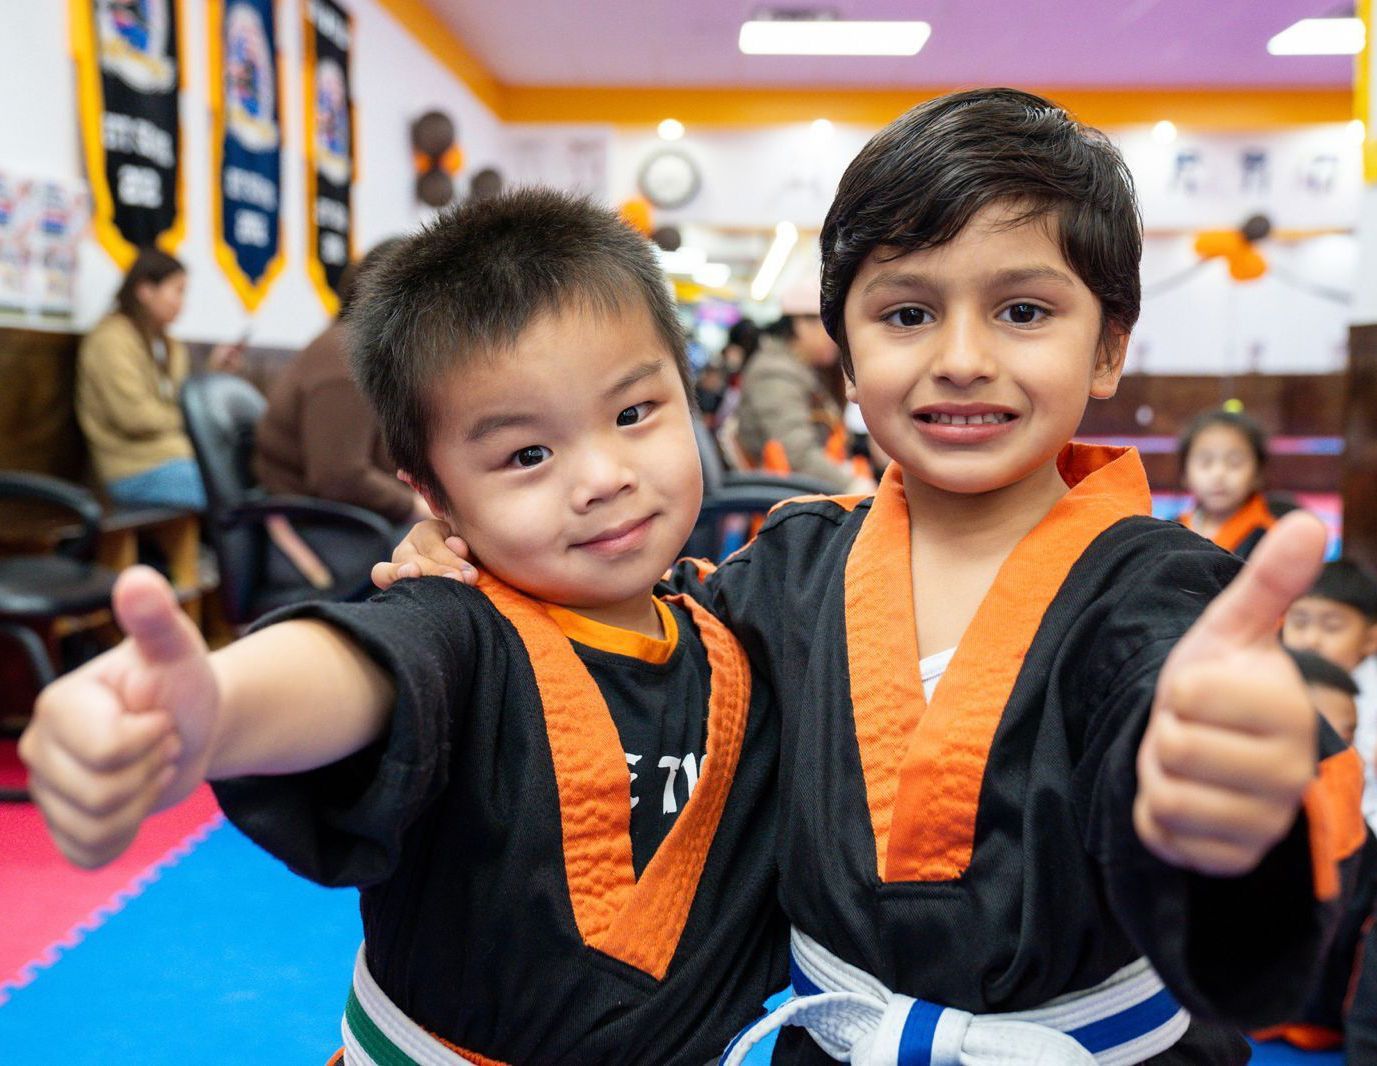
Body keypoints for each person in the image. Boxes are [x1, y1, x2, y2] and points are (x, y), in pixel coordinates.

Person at [384, 89, 1366, 1063]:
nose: (963, 358)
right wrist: (482, 577)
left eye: (1024, 310)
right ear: (846, 356)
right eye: (907, 313)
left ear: (1108, 345)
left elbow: (1232, 862)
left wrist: (1232, 818)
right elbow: (638, 654)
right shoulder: (784, 571)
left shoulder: (1168, 599)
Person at [21, 190, 788, 1064]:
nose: (603, 477)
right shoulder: (458, 621)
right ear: (433, 493)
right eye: (526, 455)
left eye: (633, 413)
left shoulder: (745, 626)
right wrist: (216, 710)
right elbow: (363, 668)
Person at [254, 239, 432, 536]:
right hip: (321, 532)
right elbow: (339, 477)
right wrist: (414, 505)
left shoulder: (372, 353)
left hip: (350, 522)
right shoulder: (343, 358)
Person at [1252, 649, 1376, 1057]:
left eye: (1350, 733)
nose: (1346, 751)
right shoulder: (1232, 822)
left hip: (1326, 1031)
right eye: (1326, 735)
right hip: (1241, 1022)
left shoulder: (1358, 830)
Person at [76, 248, 238, 511]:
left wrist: (213, 373)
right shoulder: (110, 340)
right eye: (178, 290)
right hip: (132, 469)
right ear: (145, 291)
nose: (182, 302)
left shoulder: (170, 345)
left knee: (240, 476)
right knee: (226, 487)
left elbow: (177, 399)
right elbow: (136, 418)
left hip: (174, 459)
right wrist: (189, 418)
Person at [730, 273, 873, 493]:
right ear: (802, 324)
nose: (838, 339)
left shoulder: (800, 368)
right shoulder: (774, 374)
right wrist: (852, 485)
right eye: (833, 327)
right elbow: (797, 454)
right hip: (791, 497)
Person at [1284, 558, 1377, 831]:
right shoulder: (1277, 678)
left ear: (1371, 639)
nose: (1311, 639)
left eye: (1332, 626)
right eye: (1299, 623)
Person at [1176, 407, 1275, 558]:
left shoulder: (1271, 538)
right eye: (1206, 462)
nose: (1218, 474)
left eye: (1235, 462)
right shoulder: (1173, 530)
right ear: (1185, 473)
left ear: (1258, 473)